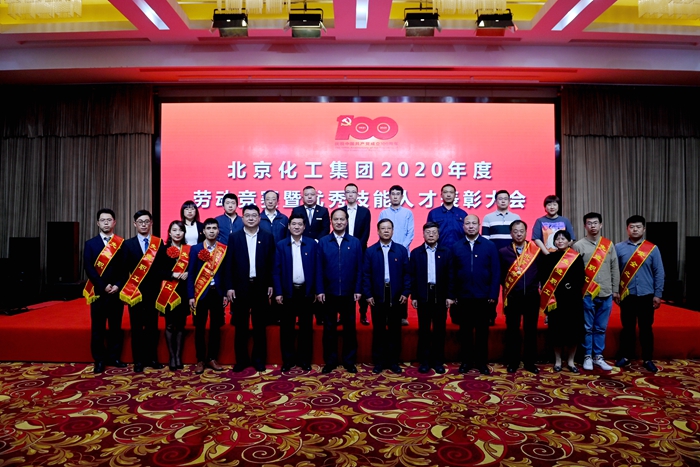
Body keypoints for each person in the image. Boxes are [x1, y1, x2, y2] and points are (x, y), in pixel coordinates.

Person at [226, 204, 276, 373]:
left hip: (260, 286)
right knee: (241, 325)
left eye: (254, 215)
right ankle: (241, 360)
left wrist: (271, 284)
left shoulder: (268, 237)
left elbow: (272, 263)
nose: (251, 218)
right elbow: (229, 264)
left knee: (259, 325)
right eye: (247, 215)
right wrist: (230, 286)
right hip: (240, 286)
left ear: (259, 218)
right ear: (242, 218)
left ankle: (259, 359)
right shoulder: (234, 237)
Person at [614, 215, 665, 373]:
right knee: (627, 328)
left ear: (644, 229)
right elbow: (614, 272)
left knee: (646, 328)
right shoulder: (618, 248)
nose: (635, 229)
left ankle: (647, 358)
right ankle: (625, 356)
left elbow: (659, 272)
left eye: (638, 227)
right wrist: (615, 291)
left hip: (646, 295)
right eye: (632, 227)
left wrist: (658, 294)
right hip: (627, 295)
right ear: (627, 229)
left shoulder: (652, 249)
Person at [450, 215, 500, 375]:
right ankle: (466, 362)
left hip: (483, 297)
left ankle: (481, 362)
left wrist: (493, 294)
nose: (471, 226)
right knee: (465, 332)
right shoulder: (456, 246)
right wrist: (453, 294)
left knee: (482, 332)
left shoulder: (489, 246)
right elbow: (452, 273)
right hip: (463, 297)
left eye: (474, 223)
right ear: (463, 226)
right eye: (467, 223)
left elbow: (496, 272)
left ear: (479, 225)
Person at [316, 208, 363, 374]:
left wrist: (358, 289)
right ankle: (330, 361)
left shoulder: (355, 242)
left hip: (349, 293)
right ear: (331, 221)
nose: (339, 222)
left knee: (349, 329)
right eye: (336, 219)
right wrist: (320, 290)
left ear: (347, 221)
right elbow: (318, 268)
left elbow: (359, 268)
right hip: (329, 292)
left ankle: (349, 361)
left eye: (342, 219)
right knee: (329, 329)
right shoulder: (323, 242)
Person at [120, 210, 166, 372]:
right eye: (140, 222)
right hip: (135, 293)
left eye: (147, 221)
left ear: (151, 223)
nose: (144, 225)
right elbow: (123, 269)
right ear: (135, 224)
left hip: (153, 291)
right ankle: (138, 361)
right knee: (137, 327)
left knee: (152, 327)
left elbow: (162, 267)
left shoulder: (158, 243)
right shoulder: (128, 244)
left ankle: (152, 358)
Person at [363, 219, 411, 374]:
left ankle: (393, 361)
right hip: (377, 295)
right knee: (379, 330)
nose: (385, 231)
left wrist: (405, 292)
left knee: (395, 330)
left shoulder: (401, 250)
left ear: (393, 231)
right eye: (383, 228)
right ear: (378, 231)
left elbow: (407, 274)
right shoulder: (371, 251)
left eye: (388, 228)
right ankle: (379, 362)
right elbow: (366, 275)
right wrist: (368, 294)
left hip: (396, 295)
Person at [573, 212, 620, 371]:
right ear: (584, 226)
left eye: (595, 223)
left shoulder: (608, 244)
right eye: (589, 223)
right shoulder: (578, 246)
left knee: (600, 327)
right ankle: (587, 355)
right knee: (587, 327)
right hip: (586, 294)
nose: (592, 226)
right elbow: (574, 272)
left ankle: (598, 356)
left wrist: (615, 289)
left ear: (601, 225)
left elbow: (614, 267)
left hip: (606, 292)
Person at [83, 208, 127, 374]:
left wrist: (117, 285)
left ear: (114, 222)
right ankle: (99, 360)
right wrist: (103, 285)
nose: (106, 223)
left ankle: (114, 357)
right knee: (98, 328)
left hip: (116, 292)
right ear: (98, 223)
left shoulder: (121, 243)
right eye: (103, 220)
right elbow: (89, 268)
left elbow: (124, 268)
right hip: (98, 293)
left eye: (109, 220)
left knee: (115, 327)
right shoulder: (90, 244)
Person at [273, 213, 318, 372]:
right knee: (287, 329)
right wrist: (278, 292)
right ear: (289, 226)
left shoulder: (312, 244)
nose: (297, 227)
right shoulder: (281, 245)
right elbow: (276, 271)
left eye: (300, 224)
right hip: (288, 292)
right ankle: (288, 360)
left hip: (306, 292)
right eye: (294, 224)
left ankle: (304, 360)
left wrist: (317, 290)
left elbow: (318, 269)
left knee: (306, 328)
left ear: (304, 227)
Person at [499, 220, 542, 374]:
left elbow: (541, 272)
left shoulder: (535, 251)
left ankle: (530, 362)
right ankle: (513, 361)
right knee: (512, 330)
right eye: (515, 231)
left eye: (521, 231)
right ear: (511, 233)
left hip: (531, 297)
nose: (519, 234)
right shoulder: (504, 252)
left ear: (526, 232)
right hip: (513, 297)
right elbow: (501, 275)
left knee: (530, 330)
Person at [539, 230, 585, 373]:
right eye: (557, 239)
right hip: (556, 301)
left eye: (563, 238)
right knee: (556, 331)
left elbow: (581, 277)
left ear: (569, 241)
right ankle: (558, 361)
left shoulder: (576, 257)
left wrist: (571, 286)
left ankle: (571, 361)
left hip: (572, 300)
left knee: (573, 331)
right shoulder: (549, 258)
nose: (560, 241)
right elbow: (544, 278)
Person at [410, 222, 452, 374]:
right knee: (424, 330)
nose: (431, 235)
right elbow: (412, 276)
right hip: (424, 294)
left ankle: (438, 361)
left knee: (440, 330)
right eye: (428, 232)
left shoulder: (446, 252)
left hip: (440, 294)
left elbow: (451, 275)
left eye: (434, 232)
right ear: (423, 234)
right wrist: (414, 296)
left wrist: (450, 296)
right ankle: (425, 361)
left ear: (438, 234)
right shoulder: (416, 253)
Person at [187, 218, 229, 374]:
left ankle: (212, 358)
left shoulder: (223, 249)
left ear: (218, 231)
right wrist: (191, 295)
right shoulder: (196, 249)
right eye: (209, 228)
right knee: (199, 327)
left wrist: (225, 293)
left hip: (217, 292)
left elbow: (226, 274)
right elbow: (191, 274)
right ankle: (200, 359)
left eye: (214, 228)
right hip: (200, 293)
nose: (212, 231)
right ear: (203, 231)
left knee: (215, 327)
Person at [291, 186, 330, 326]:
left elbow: (325, 228)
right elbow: (295, 228)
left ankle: (319, 316)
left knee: (317, 279)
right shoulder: (297, 210)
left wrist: (315, 241)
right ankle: (298, 315)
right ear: (302, 197)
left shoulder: (323, 211)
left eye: (312, 194)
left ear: (316, 196)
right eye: (306, 195)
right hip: (300, 247)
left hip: (318, 248)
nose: (309, 197)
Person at [482, 190, 521, 326]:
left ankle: (511, 315)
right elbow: (485, 239)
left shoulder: (516, 217)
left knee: (510, 287)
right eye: (500, 199)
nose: (503, 201)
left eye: (505, 199)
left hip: (510, 258)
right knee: (491, 287)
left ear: (509, 201)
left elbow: (518, 237)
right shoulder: (488, 217)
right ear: (495, 201)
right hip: (493, 257)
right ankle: (490, 315)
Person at [156, 220, 191, 371]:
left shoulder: (189, 250)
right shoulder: (163, 250)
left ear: (184, 233)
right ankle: (172, 356)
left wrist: (188, 273)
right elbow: (157, 271)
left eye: (180, 230)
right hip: (168, 291)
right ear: (169, 232)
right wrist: (172, 274)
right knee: (170, 325)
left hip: (183, 291)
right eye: (174, 230)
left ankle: (178, 356)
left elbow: (194, 269)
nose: (177, 233)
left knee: (181, 325)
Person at [379, 185, 414, 326]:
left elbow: (410, 233)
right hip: (385, 251)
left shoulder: (407, 213)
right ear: (389, 196)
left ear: (402, 196)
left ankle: (402, 316)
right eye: (392, 194)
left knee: (401, 284)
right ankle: (387, 315)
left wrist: (400, 249)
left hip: (403, 253)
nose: (395, 196)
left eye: (397, 194)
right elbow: (381, 230)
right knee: (387, 283)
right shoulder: (384, 213)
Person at [341, 183, 372, 326]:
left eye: (353, 192)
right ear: (345, 195)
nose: (350, 194)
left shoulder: (365, 212)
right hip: (342, 252)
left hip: (361, 251)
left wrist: (356, 248)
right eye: (348, 192)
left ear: (357, 194)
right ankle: (342, 315)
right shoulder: (340, 211)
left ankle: (363, 313)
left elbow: (366, 233)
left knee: (362, 281)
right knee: (344, 282)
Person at [427, 184, 467, 250]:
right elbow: (428, 233)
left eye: (451, 192)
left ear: (455, 195)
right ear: (441, 195)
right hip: (439, 250)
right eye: (445, 192)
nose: (448, 195)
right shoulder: (433, 213)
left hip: (460, 250)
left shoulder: (462, 214)